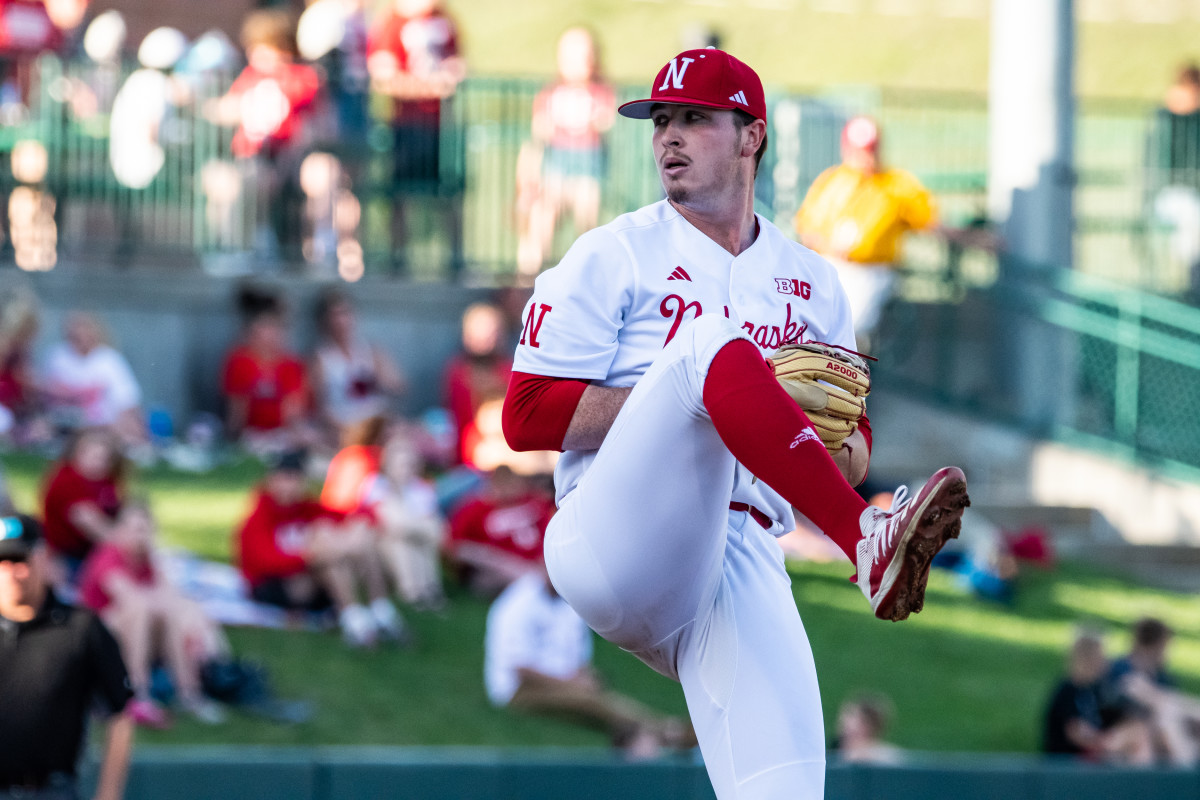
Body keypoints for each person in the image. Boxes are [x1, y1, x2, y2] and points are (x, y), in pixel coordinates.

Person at [501, 48, 969, 799]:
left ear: (750, 135)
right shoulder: (614, 253)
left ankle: (861, 535)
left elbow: (853, 448)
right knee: (711, 347)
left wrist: (809, 431)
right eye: (660, 121)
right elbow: (524, 417)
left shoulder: (813, 280)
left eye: (694, 118)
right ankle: (864, 542)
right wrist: (707, 401)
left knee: (785, 788)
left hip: (740, 551)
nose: (669, 138)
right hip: (613, 534)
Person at [485, 563, 696, 759]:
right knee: (588, 700)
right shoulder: (519, 602)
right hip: (518, 690)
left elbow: (576, 662)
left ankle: (644, 736)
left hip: (563, 683)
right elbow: (520, 670)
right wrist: (572, 684)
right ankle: (668, 731)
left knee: (593, 695)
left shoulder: (571, 603)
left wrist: (585, 679)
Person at [0, 514, 134, 800]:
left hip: (51, 789)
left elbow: (120, 712)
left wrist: (108, 794)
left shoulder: (79, 627)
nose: (12, 572)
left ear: (42, 558)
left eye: (20, 561)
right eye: (3, 563)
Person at [78, 502, 229, 728]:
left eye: (146, 530)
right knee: (141, 609)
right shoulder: (108, 556)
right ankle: (138, 693)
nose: (141, 536)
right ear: (120, 529)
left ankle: (189, 692)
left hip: (134, 638)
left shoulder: (145, 561)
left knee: (175, 613)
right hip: (97, 641)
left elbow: (172, 599)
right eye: (135, 529)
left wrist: (197, 629)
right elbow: (128, 597)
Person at [236, 449, 406, 648]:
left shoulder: (305, 507)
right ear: (272, 480)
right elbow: (264, 562)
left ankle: (370, 614)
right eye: (285, 478)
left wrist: (355, 532)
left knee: (347, 535)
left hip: (315, 575)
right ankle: (371, 614)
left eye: (296, 479)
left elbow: (352, 515)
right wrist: (311, 555)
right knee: (324, 540)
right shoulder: (258, 519)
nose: (290, 485)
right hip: (274, 586)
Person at [793, 116, 937, 349]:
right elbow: (806, 229)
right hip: (829, 266)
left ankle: (842, 374)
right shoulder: (832, 181)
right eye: (859, 150)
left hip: (872, 272)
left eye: (871, 149)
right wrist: (831, 247)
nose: (866, 156)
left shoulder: (896, 184)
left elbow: (932, 224)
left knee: (849, 326)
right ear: (846, 148)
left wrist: (975, 238)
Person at [367, 0, 466, 273]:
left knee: (449, 191)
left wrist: (448, 80)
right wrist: (431, 87)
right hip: (406, 124)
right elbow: (384, 76)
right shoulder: (392, 24)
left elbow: (458, 67)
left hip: (440, 125)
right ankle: (398, 260)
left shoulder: (445, 20)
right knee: (401, 194)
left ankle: (455, 262)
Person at [213, 9, 320, 259]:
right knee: (224, 181)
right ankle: (232, 244)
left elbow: (307, 128)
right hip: (247, 157)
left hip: (281, 158)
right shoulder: (250, 76)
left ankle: (249, 246)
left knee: (252, 180)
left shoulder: (300, 78)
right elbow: (227, 107)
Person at [515, 27, 616, 279]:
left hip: (586, 169)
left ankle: (586, 277)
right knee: (541, 222)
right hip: (555, 169)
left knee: (587, 218)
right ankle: (527, 280)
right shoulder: (550, 93)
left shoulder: (600, 92)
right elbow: (538, 137)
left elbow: (606, 121)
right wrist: (528, 178)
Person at [221, 285, 314, 456]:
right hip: (252, 435)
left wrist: (300, 435)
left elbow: (293, 413)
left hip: (283, 434)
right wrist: (231, 442)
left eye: (276, 328)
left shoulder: (291, 364)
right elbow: (237, 412)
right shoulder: (239, 361)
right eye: (265, 327)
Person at [1042, 629, 1154, 764]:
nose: (1106, 664)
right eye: (1101, 657)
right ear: (1086, 659)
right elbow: (1077, 733)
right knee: (1133, 737)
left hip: (1095, 754)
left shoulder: (1095, 690)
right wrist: (1108, 742)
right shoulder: (1068, 691)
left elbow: (1119, 717)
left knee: (1138, 731)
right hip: (1072, 762)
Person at [309, 289, 405, 446]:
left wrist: (382, 382)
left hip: (376, 419)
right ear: (325, 320)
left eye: (345, 313)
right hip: (343, 425)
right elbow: (318, 407)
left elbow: (399, 387)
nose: (341, 321)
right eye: (335, 315)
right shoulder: (320, 359)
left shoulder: (372, 351)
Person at [40, 312, 148, 448]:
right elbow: (46, 390)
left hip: (102, 424)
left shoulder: (109, 360)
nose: (81, 339)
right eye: (75, 336)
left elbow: (127, 400)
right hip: (62, 420)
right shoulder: (57, 356)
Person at [446, 465, 554, 597]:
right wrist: (492, 557)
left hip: (535, 563)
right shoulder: (474, 509)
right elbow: (456, 547)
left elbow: (549, 534)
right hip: (495, 566)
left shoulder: (535, 503)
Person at [1105, 617, 1200, 766]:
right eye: (1166, 646)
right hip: (1123, 735)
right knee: (1166, 717)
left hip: (1159, 733)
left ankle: (1187, 775)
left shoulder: (1163, 677)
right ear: (1155, 645)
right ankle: (1186, 774)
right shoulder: (1120, 670)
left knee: (1178, 722)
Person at [1146, 63, 1200, 301]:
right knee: (1192, 218)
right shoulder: (1168, 118)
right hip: (1172, 194)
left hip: (1189, 193)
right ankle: (1192, 285)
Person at [41, 427, 126, 576]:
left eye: (105, 459)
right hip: (69, 557)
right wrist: (131, 547)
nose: (100, 464)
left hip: (94, 552)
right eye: (95, 457)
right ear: (78, 454)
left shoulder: (103, 481)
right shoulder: (67, 481)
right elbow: (92, 525)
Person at [443, 302, 512, 467]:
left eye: (491, 331)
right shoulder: (456, 372)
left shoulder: (511, 371)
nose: (485, 337)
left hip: (504, 459)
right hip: (464, 461)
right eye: (478, 330)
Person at [833, 693, 902, 764]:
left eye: (852, 715)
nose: (843, 720)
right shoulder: (833, 749)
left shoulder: (883, 755)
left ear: (868, 725)